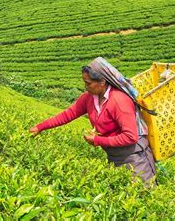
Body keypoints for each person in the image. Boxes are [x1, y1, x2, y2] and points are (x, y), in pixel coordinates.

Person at [29, 57, 156, 186]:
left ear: (102, 82)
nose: (86, 87)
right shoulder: (89, 98)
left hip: (135, 157)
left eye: (88, 83)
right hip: (113, 155)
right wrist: (40, 127)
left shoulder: (119, 101)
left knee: (142, 192)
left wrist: (97, 140)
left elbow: (130, 137)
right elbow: (68, 114)